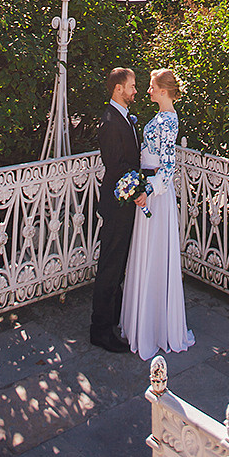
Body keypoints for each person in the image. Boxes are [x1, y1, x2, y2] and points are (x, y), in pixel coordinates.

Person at [120, 68, 195, 361]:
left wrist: (147, 190)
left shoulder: (169, 120)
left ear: (163, 90)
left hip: (155, 194)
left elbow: (168, 166)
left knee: (154, 255)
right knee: (145, 253)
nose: (148, 91)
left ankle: (153, 327)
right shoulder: (162, 117)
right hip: (146, 185)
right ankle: (142, 323)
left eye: (151, 87)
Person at [89, 66, 148, 352]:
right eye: (132, 86)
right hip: (116, 203)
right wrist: (137, 191)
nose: (135, 90)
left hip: (124, 202)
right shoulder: (111, 121)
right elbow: (118, 166)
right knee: (110, 266)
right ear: (118, 89)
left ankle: (113, 315)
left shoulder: (124, 118)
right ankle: (99, 330)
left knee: (118, 264)